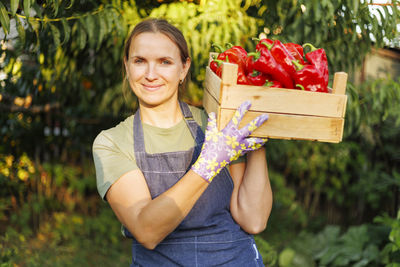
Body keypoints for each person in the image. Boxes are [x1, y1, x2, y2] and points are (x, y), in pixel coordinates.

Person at [92, 18, 273, 266]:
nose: (150, 74)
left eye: (164, 62)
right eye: (139, 61)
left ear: (184, 68)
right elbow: (147, 231)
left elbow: (253, 219)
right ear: (127, 66)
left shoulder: (216, 125)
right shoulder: (112, 143)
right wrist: (208, 163)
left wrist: (257, 141)